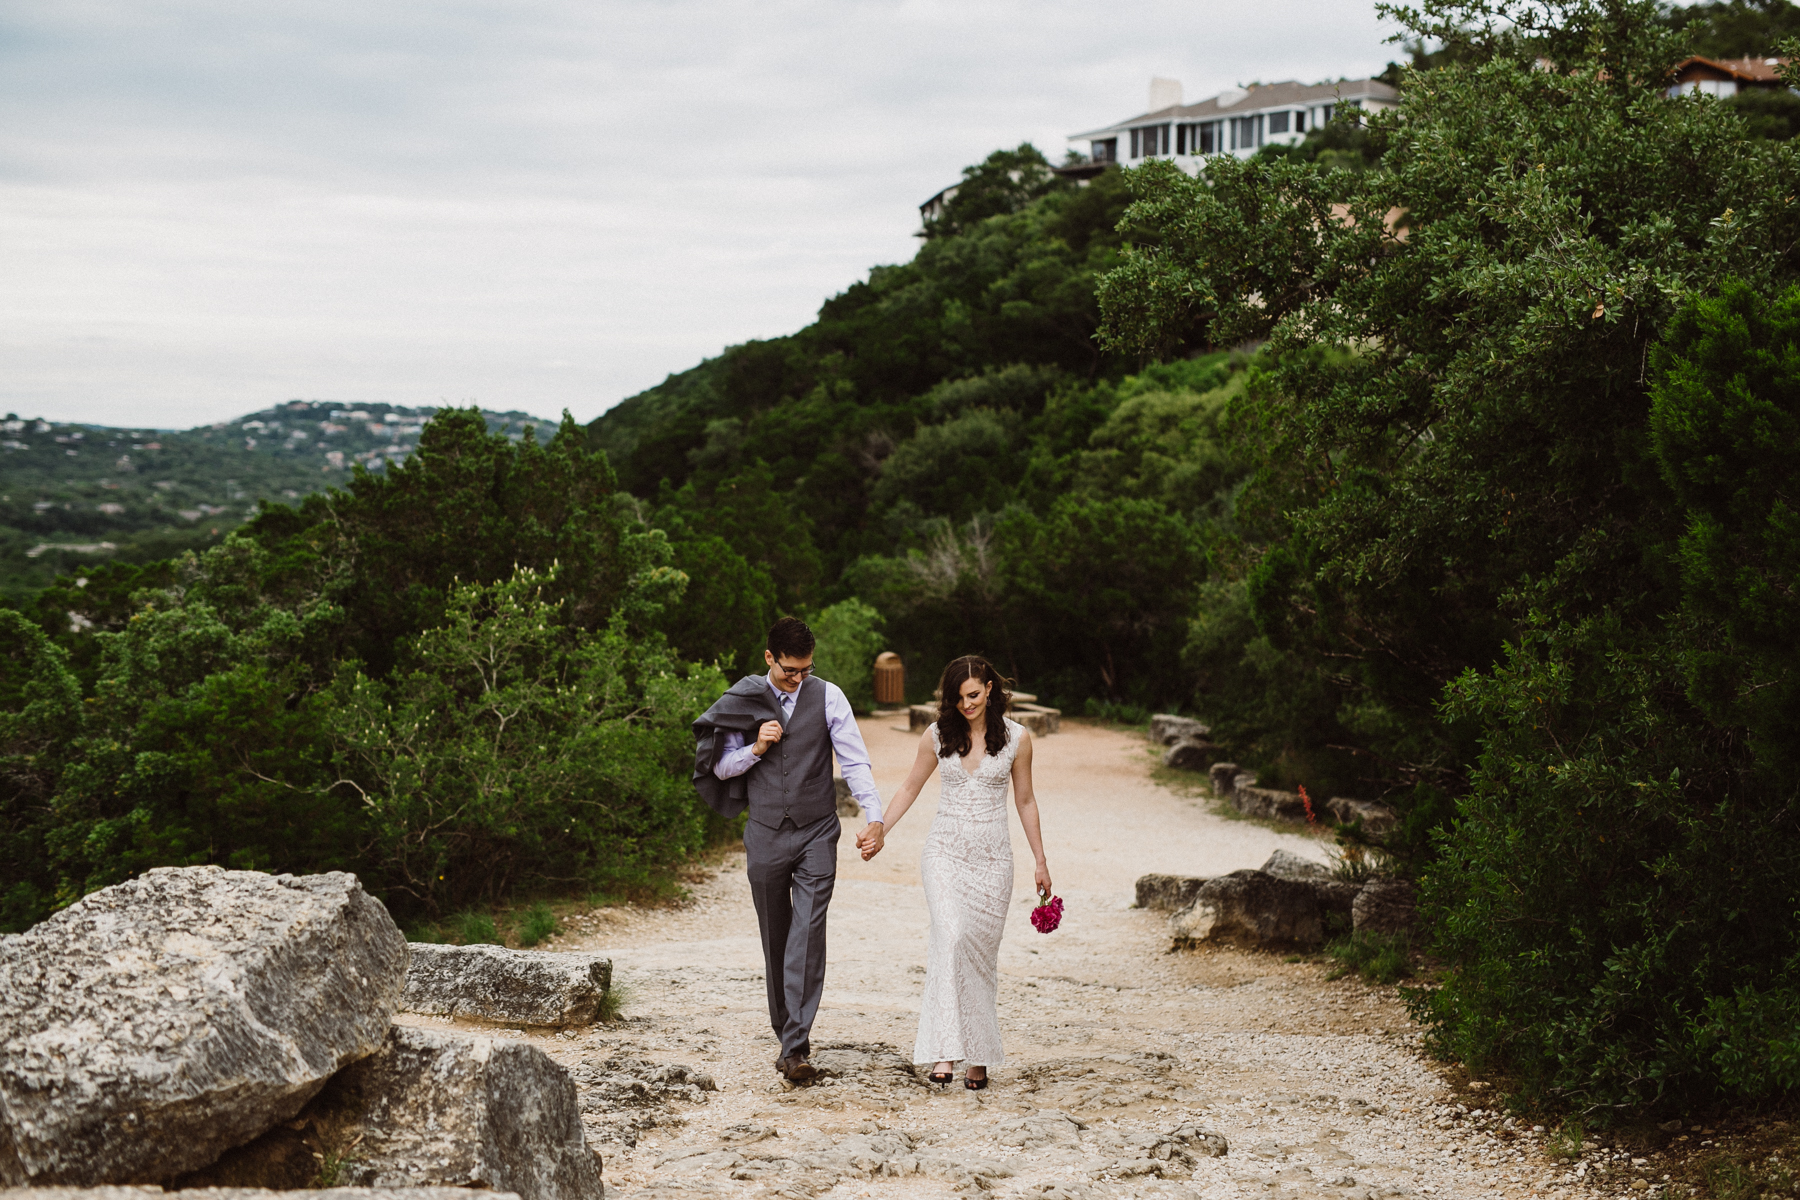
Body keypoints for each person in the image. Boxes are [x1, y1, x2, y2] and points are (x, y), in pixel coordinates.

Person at [691, 617, 885, 1083]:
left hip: (818, 830)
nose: (798, 679)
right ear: (769, 659)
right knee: (775, 937)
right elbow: (719, 769)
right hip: (765, 834)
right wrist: (755, 748)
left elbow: (854, 759)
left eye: (805, 669)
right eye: (789, 671)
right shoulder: (743, 699)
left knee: (807, 931)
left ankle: (796, 1048)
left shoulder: (829, 696)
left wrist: (873, 815)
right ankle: (786, 1037)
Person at [856, 655, 1051, 1090]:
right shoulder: (936, 735)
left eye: (974, 695)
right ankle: (944, 1050)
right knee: (950, 935)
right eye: (958, 697)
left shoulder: (1019, 738)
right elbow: (909, 785)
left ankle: (977, 1057)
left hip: (993, 861)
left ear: (990, 690)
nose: (966, 704)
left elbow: (1025, 801)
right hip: (944, 853)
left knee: (979, 955)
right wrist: (880, 829)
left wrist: (1040, 860)